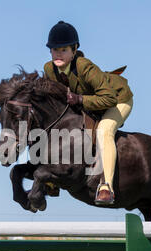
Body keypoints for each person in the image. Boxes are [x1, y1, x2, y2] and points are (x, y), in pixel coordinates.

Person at [43, 21, 134, 205]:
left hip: (117, 99)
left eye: (63, 50)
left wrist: (80, 99)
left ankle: (106, 186)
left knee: (104, 131)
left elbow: (109, 99)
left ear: (74, 50)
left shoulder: (84, 66)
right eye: (54, 50)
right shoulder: (49, 69)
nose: (58, 54)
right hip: (91, 103)